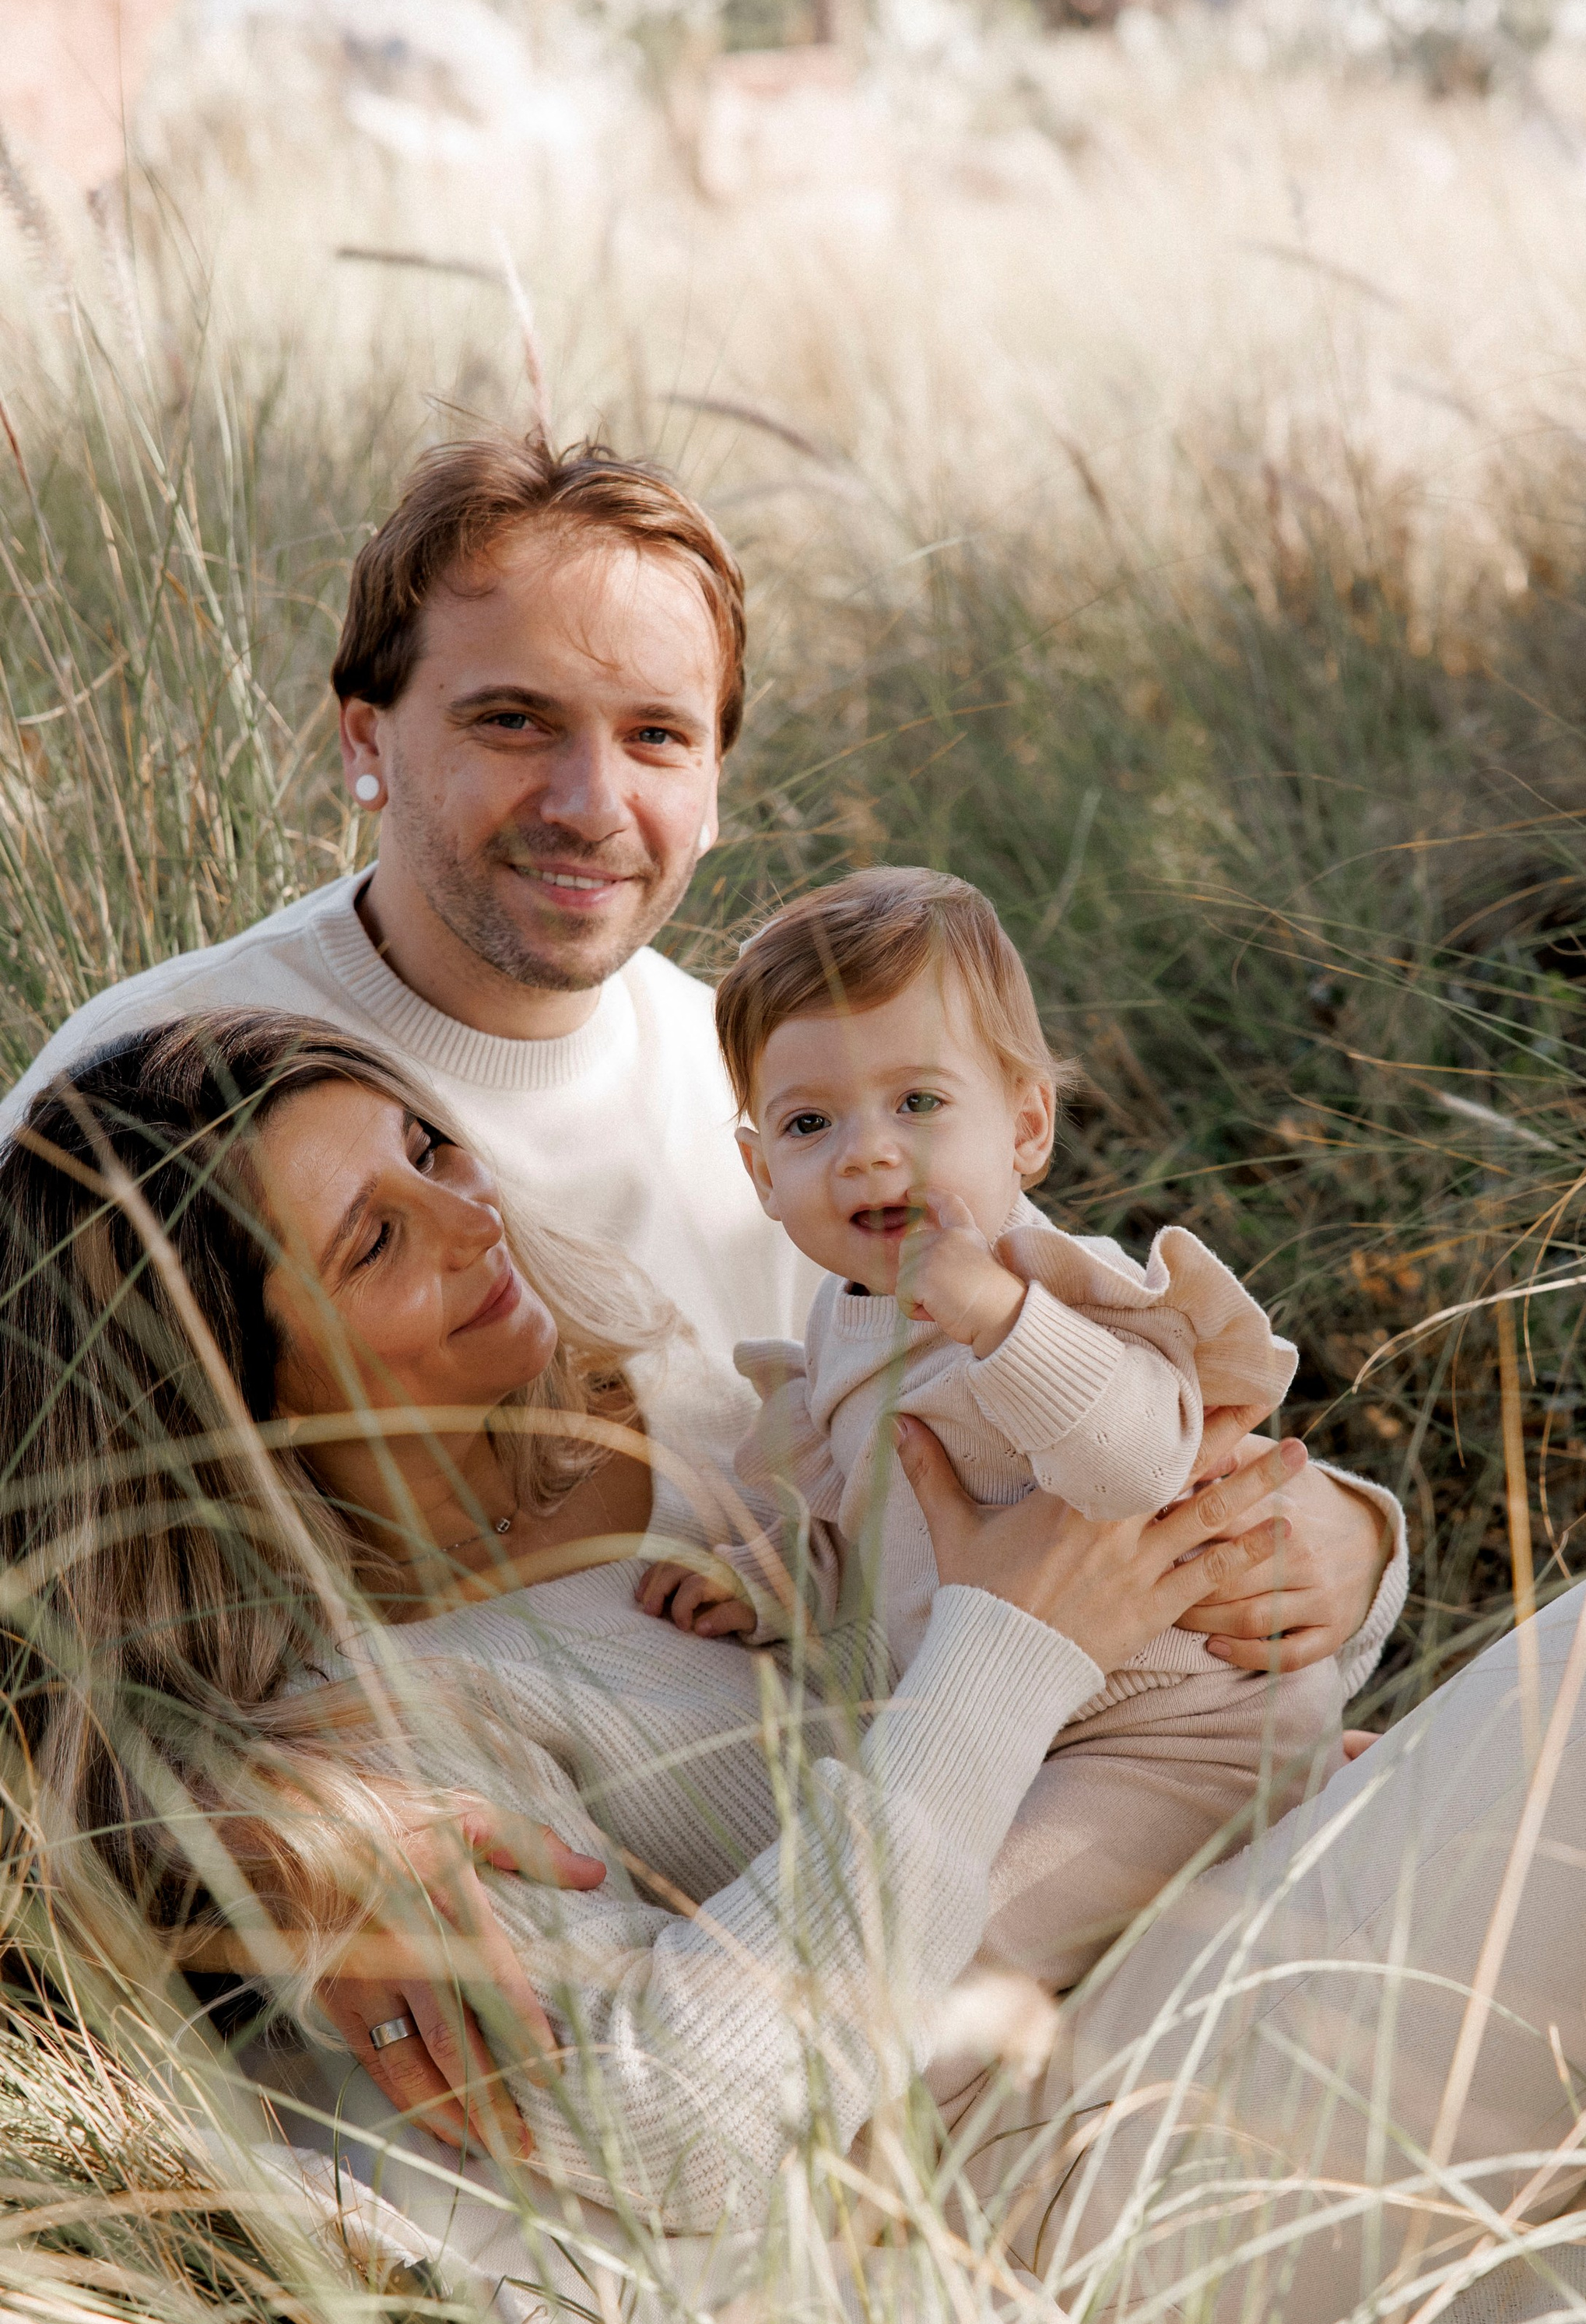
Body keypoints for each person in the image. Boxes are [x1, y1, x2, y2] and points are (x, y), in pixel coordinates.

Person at [9, 1012, 1586, 2324]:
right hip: (1049, 2182)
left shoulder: (715, 1438)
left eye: (434, 1153)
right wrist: (1010, 1644)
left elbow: (1169, 1613)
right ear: (232, 1397)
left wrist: (1335, 1539)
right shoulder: (365, 1747)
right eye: (372, 1238)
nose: (470, 1221)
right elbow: (669, 2130)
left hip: (1240, 1937)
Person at [0, 427, 1389, 1685]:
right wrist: (280, 1834)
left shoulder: (789, 1095)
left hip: (975, 1795)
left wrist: (1349, 1549)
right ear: (366, 739)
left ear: (715, 790)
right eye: (514, 720)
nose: (591, 803)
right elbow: (47, 1604)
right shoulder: (154, 1087)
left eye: (656, 735)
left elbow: (1086, 1384)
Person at [648, 863, 1404, 1991]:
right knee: (943, 1906)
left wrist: (1002, 1319)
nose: (868, 1150)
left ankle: (1293, 1823)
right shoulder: (840, 1329)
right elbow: (871, 1535)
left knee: (969, 1956)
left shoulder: (1056, 1286)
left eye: (918, 1103)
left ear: (1027, 1126)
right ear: (761, 1174)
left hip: (1175, 1731)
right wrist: (766, 1577)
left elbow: (1140, 1462)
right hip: (1034, 1738)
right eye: (812, 1123)